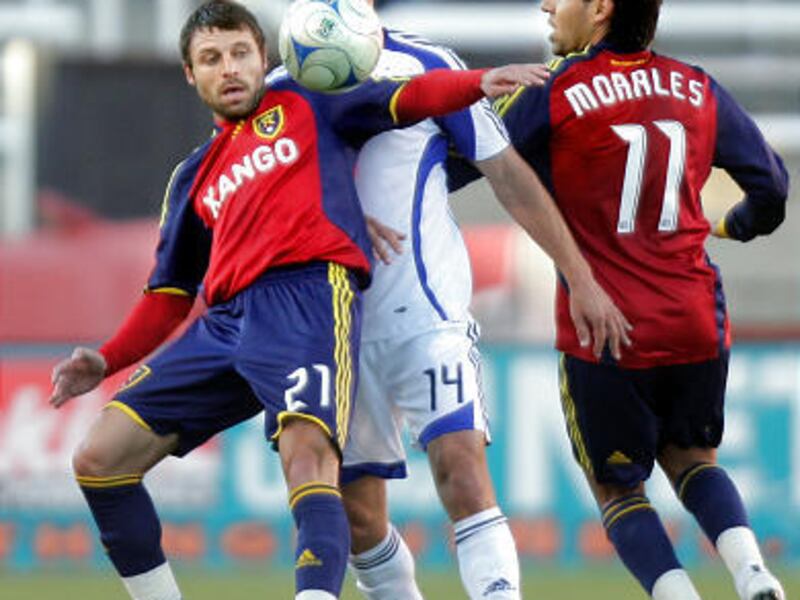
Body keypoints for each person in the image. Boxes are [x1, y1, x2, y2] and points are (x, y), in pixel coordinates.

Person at [47, 2, 553, 599]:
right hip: (225, 323)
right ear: (190, 74)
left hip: (309, 301)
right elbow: (168, 295)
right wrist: (106, 360)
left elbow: (408, 98)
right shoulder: (192, 176)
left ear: (265, 59)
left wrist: (477, 82)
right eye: (211, 58)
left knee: (310, 463)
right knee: (99, 459)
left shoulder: (311, 102)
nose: (229, 69)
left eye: (240, 53)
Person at [449, 1, 789, 599]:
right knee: (694, 459)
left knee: (618, 490)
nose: (550, 5)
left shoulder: (553, 90)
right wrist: (732, 225)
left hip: (603, 325)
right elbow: (772, 188)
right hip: (693, 318)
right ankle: (753, 572)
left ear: (602, 8)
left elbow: (462, 162)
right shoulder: (695, 86)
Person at [339, 3, 632, 600]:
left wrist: (579, 275)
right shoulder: (278, 88)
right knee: (358, 518)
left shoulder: (425, 64)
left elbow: (509, 174)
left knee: (462, 470)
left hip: (426, 316)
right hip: (330, 326)